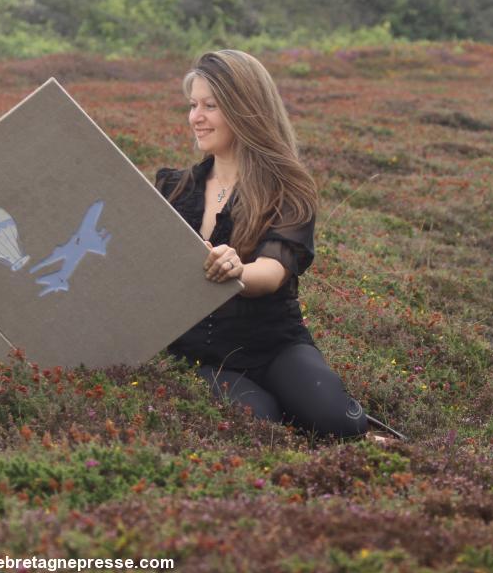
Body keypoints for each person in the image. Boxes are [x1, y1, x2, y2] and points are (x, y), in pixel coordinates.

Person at [154, 49, 369, 439]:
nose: (195, 118)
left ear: (244, 109)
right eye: (192, 105)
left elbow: (272, 271)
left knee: (341, 422)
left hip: (273, 344)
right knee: (261, 422)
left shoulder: (289, 190)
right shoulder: (173, 187)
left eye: (210, 106)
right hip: (199, 353)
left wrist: (237, 270)